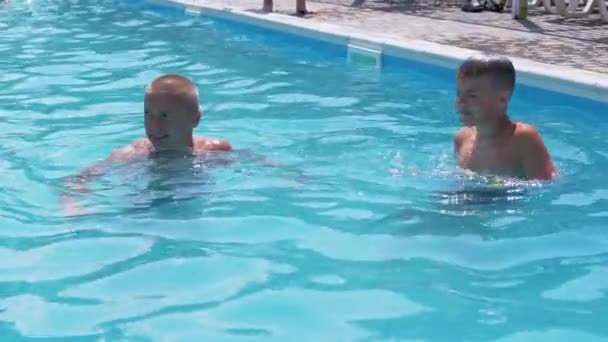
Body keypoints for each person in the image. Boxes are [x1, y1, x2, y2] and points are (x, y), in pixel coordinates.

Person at [61, 74, 233, 216]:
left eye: (165, 116)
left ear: (194, 119)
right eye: (148, 113)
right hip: (144, 209)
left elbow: (252, 162)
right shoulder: (132, 154)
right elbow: (78, 179)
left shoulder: (215, 149)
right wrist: (73, 205)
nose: (154, 124)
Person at [453, 54, 556, 181]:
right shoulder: (461, 138)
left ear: (502, 99)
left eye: (472, 95)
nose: (460, 101)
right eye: (459, 93)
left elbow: (546, 184)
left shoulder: (523, 139)